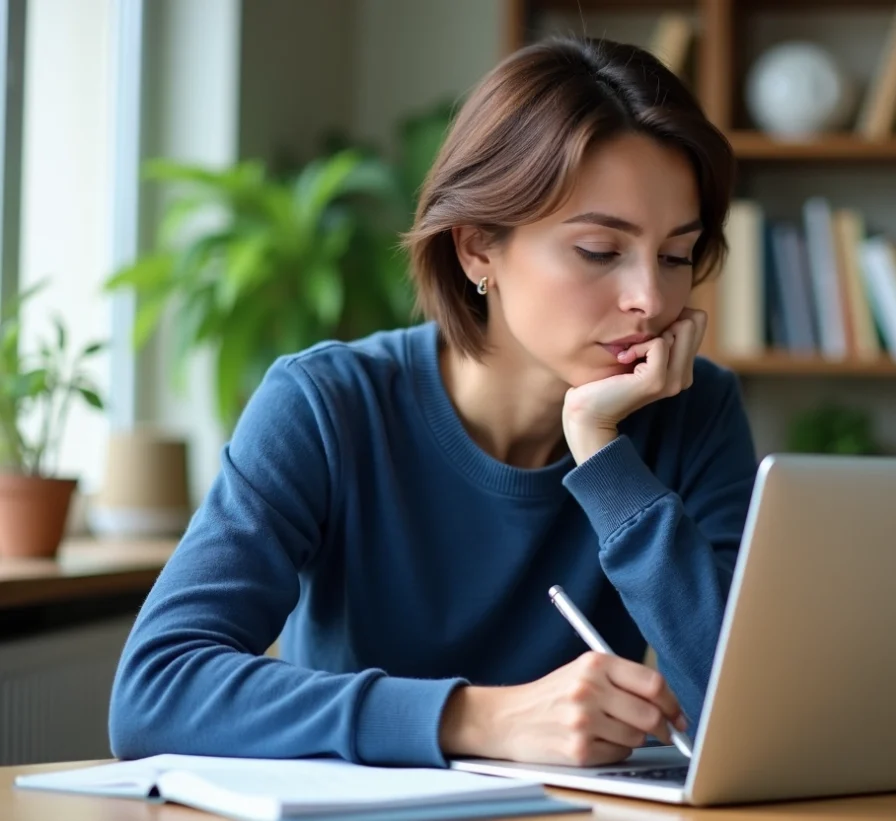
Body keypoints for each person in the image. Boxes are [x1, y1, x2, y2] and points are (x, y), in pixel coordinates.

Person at [108, 34, 759, 771]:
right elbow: (154, 691)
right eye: (600, 251)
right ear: (478, 246)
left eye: (676, 255)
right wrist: (478, 716)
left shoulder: (691, 409)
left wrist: (605, 457)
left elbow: (749, 713)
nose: (650, 298)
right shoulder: (327, 405)